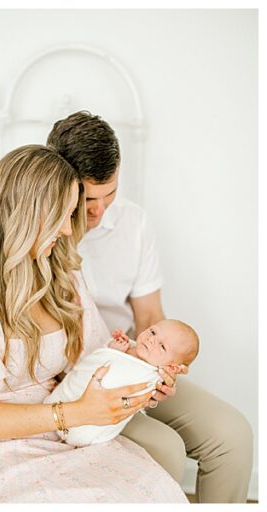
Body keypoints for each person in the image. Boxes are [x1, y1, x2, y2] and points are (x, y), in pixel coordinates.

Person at [0, 144, 185, 502]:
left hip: (65, 432)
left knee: (155, 494)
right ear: (26, 213)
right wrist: (74, 413)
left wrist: (143, 375)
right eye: (60, 216)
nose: (67, 230)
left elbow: (95, 360)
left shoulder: (60, 274)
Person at [50, 111, 253, 502]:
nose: (99, 211)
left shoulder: (133, 223)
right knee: (165, 447)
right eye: (88, 199)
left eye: (110, 194)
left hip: (137, 360)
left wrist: (161, 376)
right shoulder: (38, 231)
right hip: (80, 378)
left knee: (233, 435)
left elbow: (149, 316)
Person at [45, 319, 199, 446]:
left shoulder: (150, 375)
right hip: (65, 398)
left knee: (170, 444)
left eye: (162, 346)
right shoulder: (131, 347)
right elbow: (96, 363)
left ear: (172, 367)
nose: (151, 339)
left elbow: (121, 389)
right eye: (153, 332)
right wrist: (113, 348)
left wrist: (157, 386)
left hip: (89, 425)